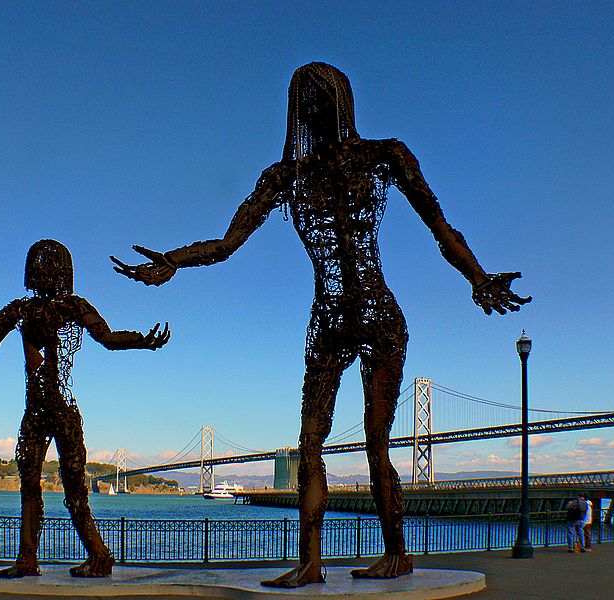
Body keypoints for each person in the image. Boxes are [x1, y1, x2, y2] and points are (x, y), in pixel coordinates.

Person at [111, 62, 530, 587]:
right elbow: (225, 244)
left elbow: (440, 225)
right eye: (302, 101)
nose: (312, 108)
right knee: (310, 442)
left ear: (343, 100)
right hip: (329, 322)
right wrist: (174, 259)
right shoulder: (285, 177)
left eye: (320, 96)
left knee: (377, 442)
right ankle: (310, 561)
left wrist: (477, 277)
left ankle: (397, 553)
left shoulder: (385, 156)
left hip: (379, 317)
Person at [0, 240, 170, 578]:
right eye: (43, 266)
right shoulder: (35, 309)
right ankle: (36, 559)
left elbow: (106, 338)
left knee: (66, 488)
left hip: (53, 411)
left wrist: (141, 341)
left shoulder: (45, 308)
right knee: (47, 487)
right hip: (45, 411)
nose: (45, 272)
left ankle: (92, 556)